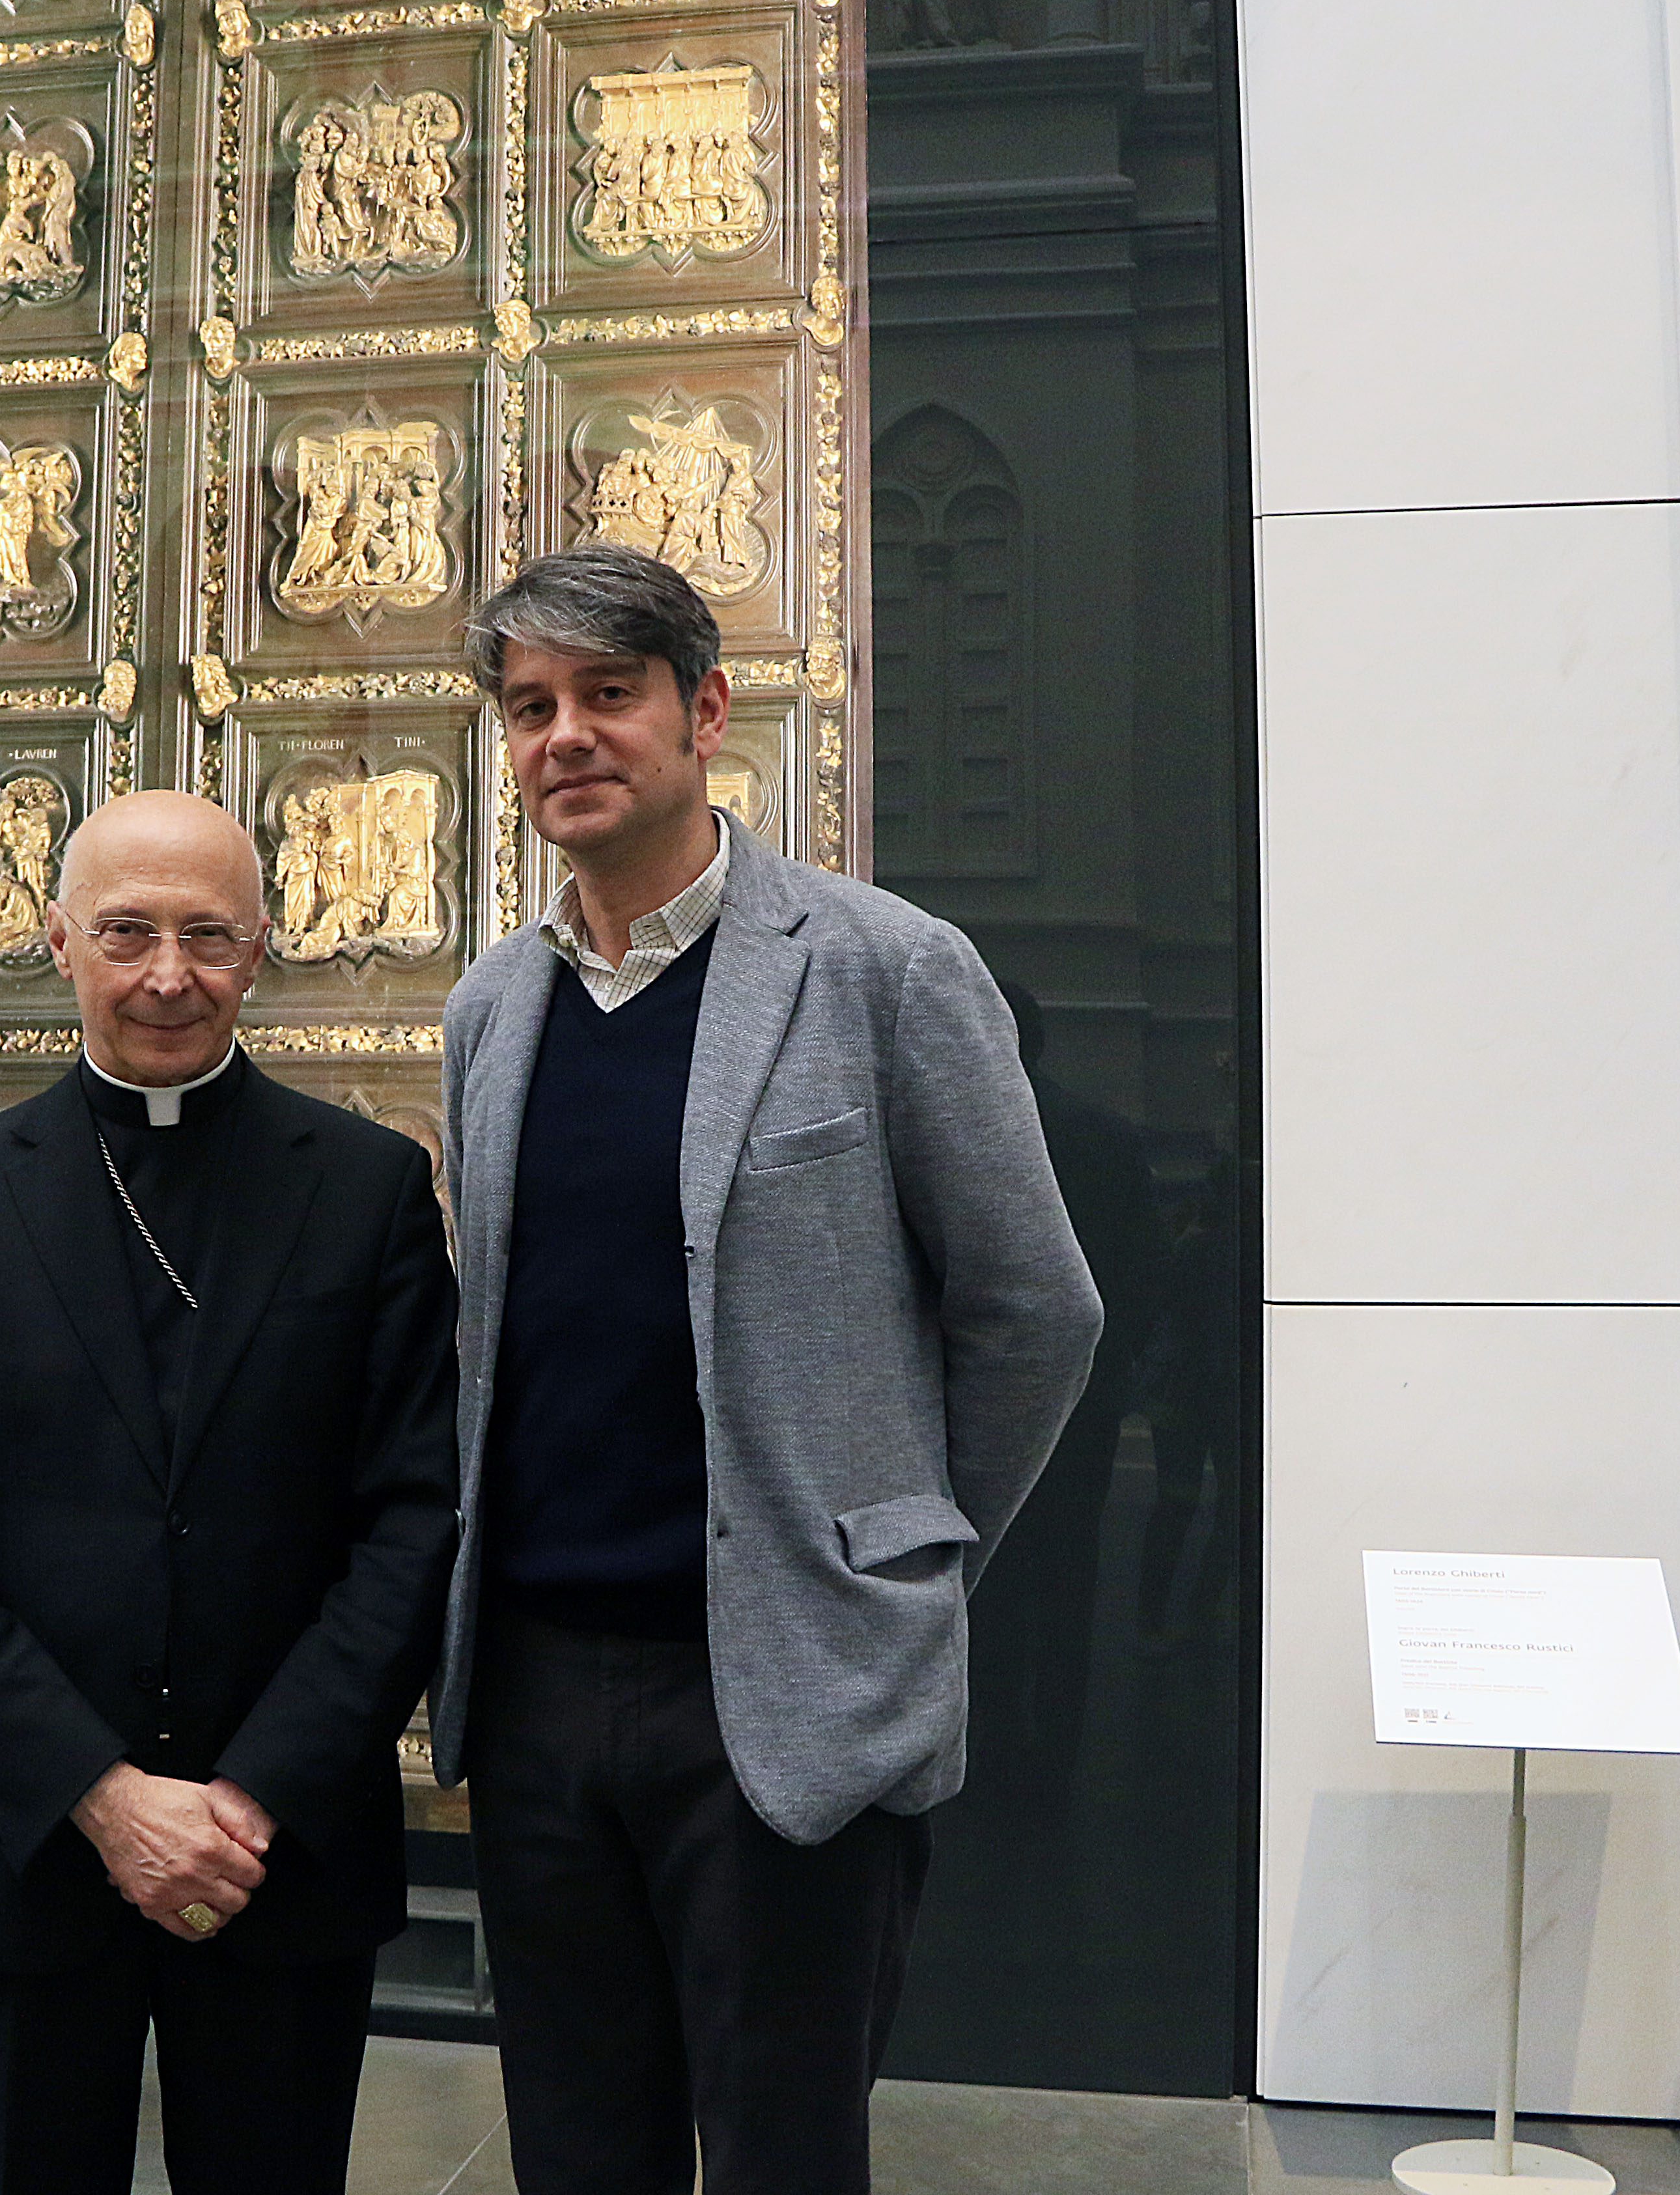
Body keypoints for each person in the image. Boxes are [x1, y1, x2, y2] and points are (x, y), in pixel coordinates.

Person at [430, 542, 1104, 2194]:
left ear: (705, 712)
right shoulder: (493, 1006)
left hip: (783, 1691)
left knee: (786, 2153)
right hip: (533, 1685)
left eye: (608, 695)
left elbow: (1035, 1311)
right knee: (577, 2151)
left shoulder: (886, 969)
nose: (566, 738)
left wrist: (902, 1551)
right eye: (531, 709)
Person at [0, 789, 461, 2195]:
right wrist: (109, 1798)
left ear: (264, 949)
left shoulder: (367, 1188)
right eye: (127, 933)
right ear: (60, 940)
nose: (167, 975)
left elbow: (414, 1519)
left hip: (282, 1858)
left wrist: (247, 1798)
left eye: (207, 936)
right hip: (22, 1843)